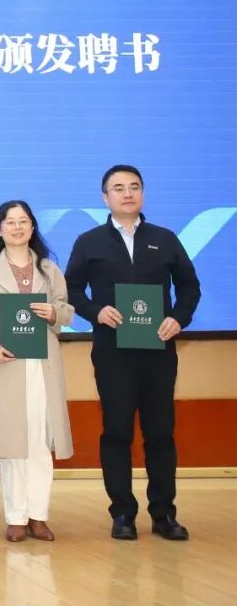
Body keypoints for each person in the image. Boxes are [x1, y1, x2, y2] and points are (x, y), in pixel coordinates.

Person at [66, 165, 200, 541]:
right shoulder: (89, 241)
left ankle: (164, 513)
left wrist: (178, 318)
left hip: (158, 351)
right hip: (113, 352)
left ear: (142, 193)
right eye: (119, 188)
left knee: (160, 433)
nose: (128, 193)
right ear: (105, 197)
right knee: (117, 432)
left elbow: (189, 287)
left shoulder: (165, 238)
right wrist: (96, 311)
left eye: (134, 187)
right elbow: (70, 289)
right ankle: (123, 512)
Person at [0, 200, 73, 542]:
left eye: (23, 221)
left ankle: (38, 516)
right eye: (10, 222)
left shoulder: (50, 270)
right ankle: (15, 516)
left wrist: (54, 313)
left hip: (42, 366)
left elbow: (66, 310)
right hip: (5, 365)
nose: (17, 227)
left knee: (41, 441)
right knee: (11, 443)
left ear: (32, 227)